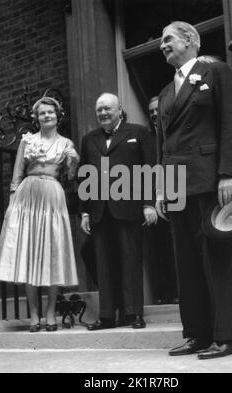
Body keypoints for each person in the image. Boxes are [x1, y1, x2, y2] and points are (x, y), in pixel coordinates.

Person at [156, 22, 232, 359]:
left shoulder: (216, 72)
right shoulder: (165, 93)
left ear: (190, 40)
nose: (162, 46)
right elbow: (162, 146)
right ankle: (196, 334)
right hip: (176, 184)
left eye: (168, 39)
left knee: (215, 259)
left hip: (208, 179)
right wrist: (160, 188)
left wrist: (226, 173)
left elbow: (231, 123)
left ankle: (226, 337)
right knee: (186, 263)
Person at [0, 96, 79, 332]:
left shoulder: (66, 144)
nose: (47, 116)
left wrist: (74, 162)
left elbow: (70, 177)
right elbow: (17, 174)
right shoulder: (27, 141)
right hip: (27, 195)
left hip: (52, 195)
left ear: (58, 115)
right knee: (29, 253)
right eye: (42, 113)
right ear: (36, 117)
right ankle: (33, 314)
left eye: (50, 112)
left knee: (51, 253)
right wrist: (12, 204)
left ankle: (50, 313)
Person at [79, 93, 157, 330]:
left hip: (129, 206)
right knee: (103, 263)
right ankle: (107, 316)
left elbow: (149, 170)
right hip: (99, 210)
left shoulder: (138, 132)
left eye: (107, 109)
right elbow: (84, 175)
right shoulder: (89, 139)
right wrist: (84, 212)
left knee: (130, 259)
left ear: (119, 110)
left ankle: (133, 313)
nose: (103, 113)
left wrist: (149, 203)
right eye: (99, 110)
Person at [143, 96, 178, 305]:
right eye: (151, 112)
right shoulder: (146, 139)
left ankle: (181, 291)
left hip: (179, 195)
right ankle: (165, 293)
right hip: (156, 201)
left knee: (180, 246)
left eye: (157, 110)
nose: (154, 114)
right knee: (160, 249)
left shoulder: (175, 132)